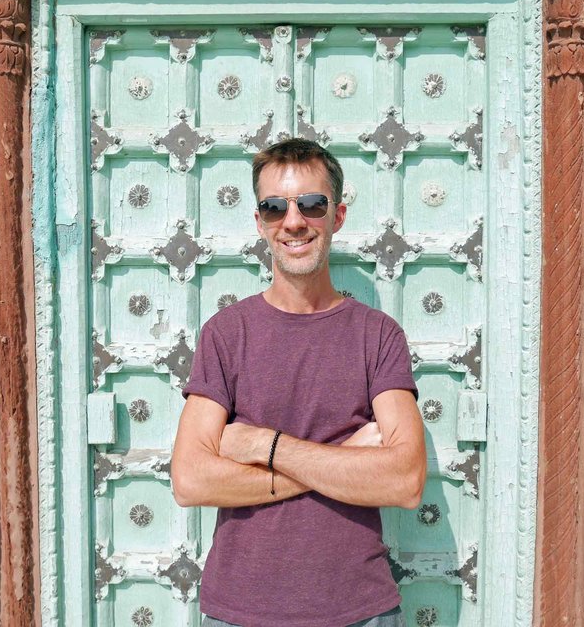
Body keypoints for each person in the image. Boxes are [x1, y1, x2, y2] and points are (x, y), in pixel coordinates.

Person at [171, 138, 427, 627]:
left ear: (338, 215)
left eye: (311, 204)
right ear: (260, 222)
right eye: (274, 207)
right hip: (239, 612)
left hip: (359, 611)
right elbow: (190, 479)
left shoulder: (377, 335)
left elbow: (406, 480)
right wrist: (347, 459)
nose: (293, 221)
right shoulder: (227, 334)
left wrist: (261, 444)